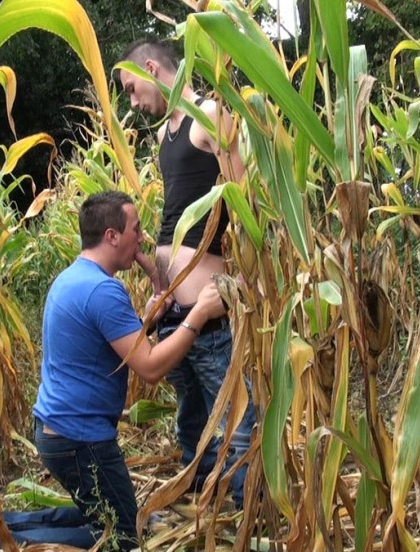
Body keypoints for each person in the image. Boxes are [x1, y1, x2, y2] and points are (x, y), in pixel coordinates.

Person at [3, 191, 226, 550]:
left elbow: (110, 347)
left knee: (103, 511)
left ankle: (1, 524)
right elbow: (150, 367)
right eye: (135, 229)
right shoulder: (103, 291)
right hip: (79, 440)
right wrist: (199, 313)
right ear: (111, 235)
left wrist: (149, 319)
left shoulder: (73, 278)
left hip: (57, 432)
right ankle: (1, 542)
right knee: (121, 534)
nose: (141, 237)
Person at [117, 39, 255, 506]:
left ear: (153, 68)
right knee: (193, 418)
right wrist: (156, 275)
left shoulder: (210, 115)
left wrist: (246, 276)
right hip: (174, 309)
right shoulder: (163, 136)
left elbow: (241, 200)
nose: (134, 103)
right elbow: (175, 214)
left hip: (207, 311)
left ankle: (246, 512)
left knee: (238, 418)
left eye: (134, 89)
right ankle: (203, 498)